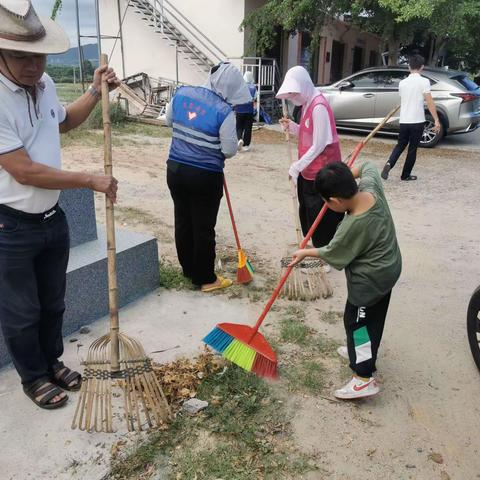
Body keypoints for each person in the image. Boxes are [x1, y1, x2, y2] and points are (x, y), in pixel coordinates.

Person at [0, 1, 119, 409]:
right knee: (22, 310)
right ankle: (33, 377)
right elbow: (24, 171)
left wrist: (94, 92)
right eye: (21, 56)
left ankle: (51, 363)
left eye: (39, 55)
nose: (33, 66)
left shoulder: (45, 83)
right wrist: (89, 180)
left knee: (53, 302)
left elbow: (63, 121)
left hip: (52, 219)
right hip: (9, 225)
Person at [290, 161, 402, 400]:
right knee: (374, 318)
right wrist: (345, 175)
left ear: (336, 201)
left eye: (326, 202)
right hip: (390, 268)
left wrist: (304, 253)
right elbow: (368, 165)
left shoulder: (353, 224)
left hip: (370, 281)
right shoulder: (370, 187)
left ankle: (363, 377)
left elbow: (331, 252)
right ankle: (363, 353)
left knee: (357, 324)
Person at [165, 62, 251, 292]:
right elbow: (229, 150)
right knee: (203, 226)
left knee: (183, 220)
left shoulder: (182, 93)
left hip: (174, 169)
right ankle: (205, 279)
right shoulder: (224, 112)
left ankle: (188, 269)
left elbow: (168, 121)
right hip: (204, 176)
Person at [276, 66, 344, 259]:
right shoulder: (307, 103)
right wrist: (293, 127)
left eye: (295, 93)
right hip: (309, 170)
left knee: (321, 217)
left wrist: (297, 166)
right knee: (307, 211)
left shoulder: (319, 105)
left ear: (305, 85)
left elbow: (320, 143)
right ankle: (312, 250)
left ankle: (324, 258)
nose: (294, 99)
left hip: (322, 172)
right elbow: (309, 133)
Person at [381, 54, 441, 181]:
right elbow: (429, 101)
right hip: (417, 121)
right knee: (412, 148)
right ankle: (405, 175)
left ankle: (389, 163)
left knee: (400, 145)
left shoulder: (402, 83)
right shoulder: (424, 82)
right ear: (422, 67)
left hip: (404, 120)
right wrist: (436, 119)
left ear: (409, 66)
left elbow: (404, 98)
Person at [235, 70, 256, 152]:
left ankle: (239, 139)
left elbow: (235, 97)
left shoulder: (239, 86)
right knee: (248, 128)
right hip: (249, 110)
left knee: (239, 126)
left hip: (239, 110)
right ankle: (246, 144)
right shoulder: (253, 87)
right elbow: (254, 99)